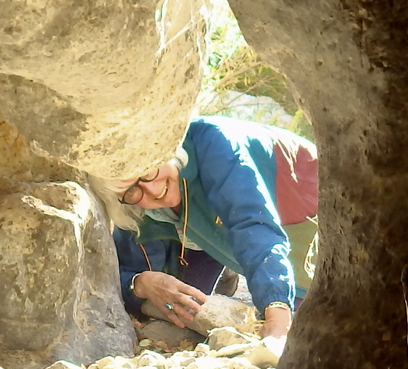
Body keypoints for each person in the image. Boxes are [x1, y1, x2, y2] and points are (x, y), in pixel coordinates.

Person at [94, 116, 317, 340]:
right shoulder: (135, 207)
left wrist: (277, 315)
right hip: (221, 238)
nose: (152, 189)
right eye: (131, 190)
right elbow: (115, 276)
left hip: (311, 218)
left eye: (148, 171)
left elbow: (253, 225)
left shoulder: (216, 144)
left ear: (163, 151)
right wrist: (140, 283)